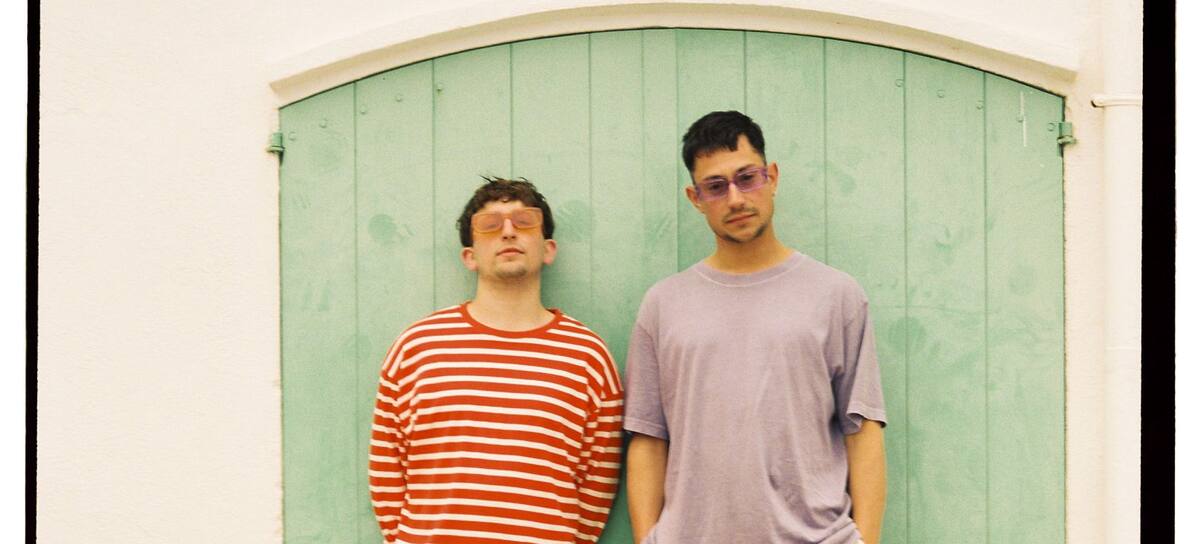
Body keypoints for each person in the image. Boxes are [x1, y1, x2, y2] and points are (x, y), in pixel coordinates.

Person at [623, 111, 888, 544]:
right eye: (715, 186)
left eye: (747, 178)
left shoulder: (836, 294)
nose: (735, 199)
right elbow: (648, 438)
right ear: (695, 197)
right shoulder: (663, 305)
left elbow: (863, 429)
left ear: (773, 177)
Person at [369, 177, 624, 544]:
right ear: (469, 256)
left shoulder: (588, 356)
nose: (508, 231)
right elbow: (387, 472)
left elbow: (596, 486)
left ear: (548, 249)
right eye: (489, 225)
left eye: (524, 222)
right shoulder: (417, 348)